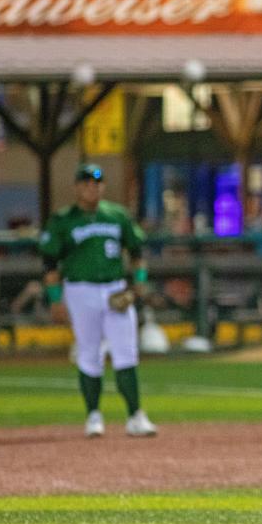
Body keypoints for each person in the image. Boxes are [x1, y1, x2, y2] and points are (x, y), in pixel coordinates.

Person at [38, 163, 157, 438]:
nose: (92, 187)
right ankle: (93, 415)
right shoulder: (63, 219)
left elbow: (137, 252)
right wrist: (55, 300)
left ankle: (135, 415)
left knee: (126, 351)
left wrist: (139, 280)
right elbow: (49, 263)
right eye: (87, 183)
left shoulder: (117, 215)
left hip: (115, 289)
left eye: (97, 182)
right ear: (77, 187)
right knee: (89, 352)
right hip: (80, 290)